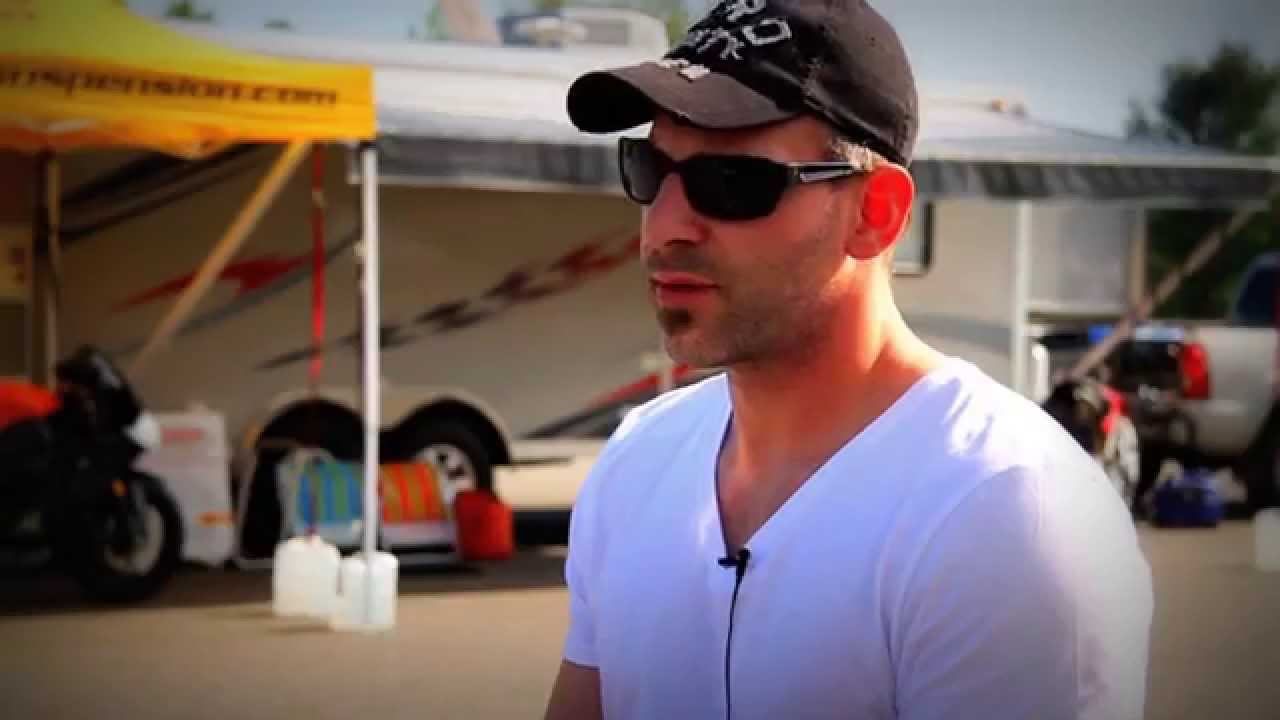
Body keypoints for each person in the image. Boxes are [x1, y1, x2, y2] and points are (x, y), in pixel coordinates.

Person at [544, 1, 1154, 718]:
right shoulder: (637, 459)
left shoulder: (1008, 512)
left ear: (876, 214)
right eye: (648, 168)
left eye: (732, 181)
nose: (664, 228)